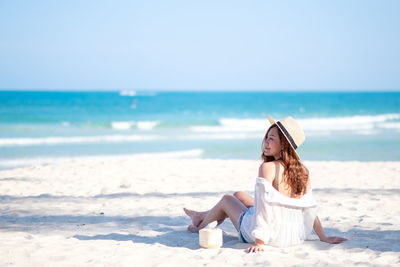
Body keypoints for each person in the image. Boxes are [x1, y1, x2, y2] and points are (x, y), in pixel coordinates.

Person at [184, 115, 347, 253]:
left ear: (283, 144)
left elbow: (262, 207)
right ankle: (202, 215)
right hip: (291, 234)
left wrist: (259, 241)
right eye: (266, 138)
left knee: (227, 199)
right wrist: (323, 237)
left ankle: (199, 227)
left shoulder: (267, 168)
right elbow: (309, 207)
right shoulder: (303, 170)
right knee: (239, 195)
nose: (266, 143)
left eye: (271, 139)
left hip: (269, 234)